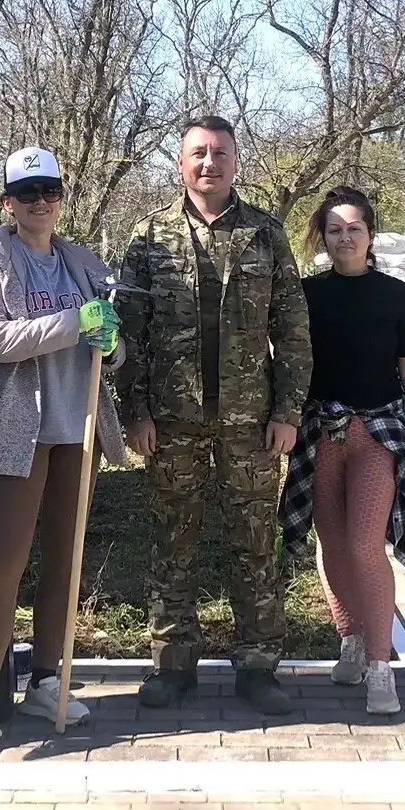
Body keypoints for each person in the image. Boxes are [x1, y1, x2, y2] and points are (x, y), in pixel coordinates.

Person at [0, 148, 126, 760]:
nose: (41, 202)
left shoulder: (81, 261)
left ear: (62, 198)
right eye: (27, 192)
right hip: (18, 430)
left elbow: (109, 345)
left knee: (65, 560)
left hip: (78, 425)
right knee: (3, 563)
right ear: (8, 202)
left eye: (51, 191)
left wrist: (112, 342)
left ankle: (45, 681)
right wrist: (75, 322)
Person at [115, 116, 312, 715]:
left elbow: (293, 329)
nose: (209, 163)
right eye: (198, 153)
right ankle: (172, 664)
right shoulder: (149, 236)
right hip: (171, 422)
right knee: (172, 543)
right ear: (181, 164)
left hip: (250, 424)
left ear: (235, 161)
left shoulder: (265, 234)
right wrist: (135, 411)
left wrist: (287, 411)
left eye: (220, 153)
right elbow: (129, 335)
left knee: (255, 545)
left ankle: (258, 664)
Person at [278, 186, 405, 716]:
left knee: (366, 544)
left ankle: (380, 664)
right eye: (334, 229)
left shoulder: (396, 296)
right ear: (322, 237)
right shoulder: (305, 295)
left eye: (354, 228)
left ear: (370, 234)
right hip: (320, 435)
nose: (344, 237)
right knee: (333, 545)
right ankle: (349, 638)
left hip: (377, 434)